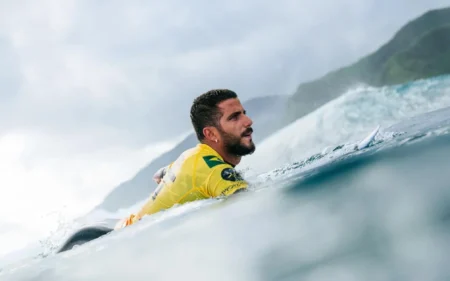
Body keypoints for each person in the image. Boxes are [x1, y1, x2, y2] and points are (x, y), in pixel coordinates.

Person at [115, 89, 255, 229]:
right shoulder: (214, 171)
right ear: (211, 134)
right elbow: (250, 212)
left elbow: (159, 175)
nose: (248, 121)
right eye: (234, 117)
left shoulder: (194, 155)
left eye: (244, 114)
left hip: (123, 226)